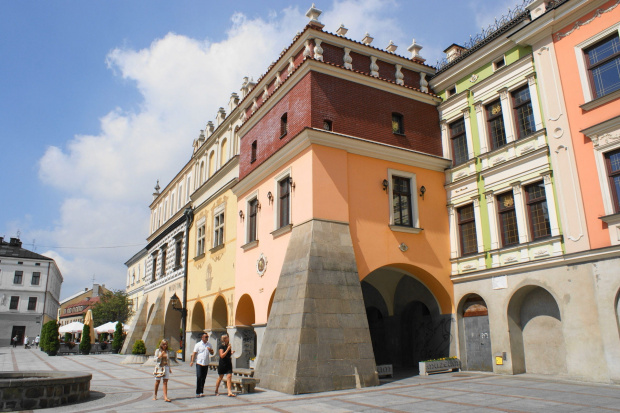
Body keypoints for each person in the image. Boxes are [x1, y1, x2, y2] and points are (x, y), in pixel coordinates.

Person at [189, 333, 214, 397]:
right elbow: (194, 353)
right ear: (202, 338)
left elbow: (212, 352)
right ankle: (198, 392)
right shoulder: (198, 344)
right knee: (199, 377)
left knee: (203, 377)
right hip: (199, 362)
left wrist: (210, 350)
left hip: (206, 363)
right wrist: (192, 361)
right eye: (205, 337)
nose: (207, 338)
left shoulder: (209, 344)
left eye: (207, 337)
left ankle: (201, 391)